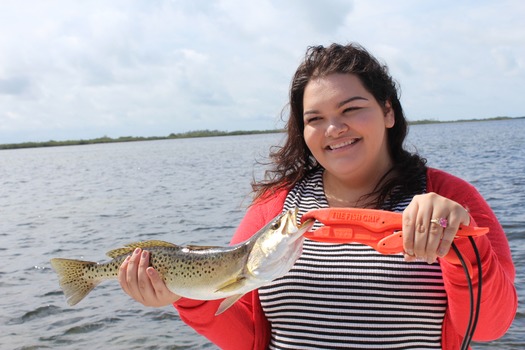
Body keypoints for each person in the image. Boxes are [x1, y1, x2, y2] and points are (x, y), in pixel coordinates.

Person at [118, 43, 517, 349]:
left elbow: (487, 327)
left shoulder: (448, 198)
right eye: (315, 118)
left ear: (388, 112)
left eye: (351, 109)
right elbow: (249, 339)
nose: (333, 129)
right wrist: (185, 298)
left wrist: (459, 242)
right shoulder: (276, 206)